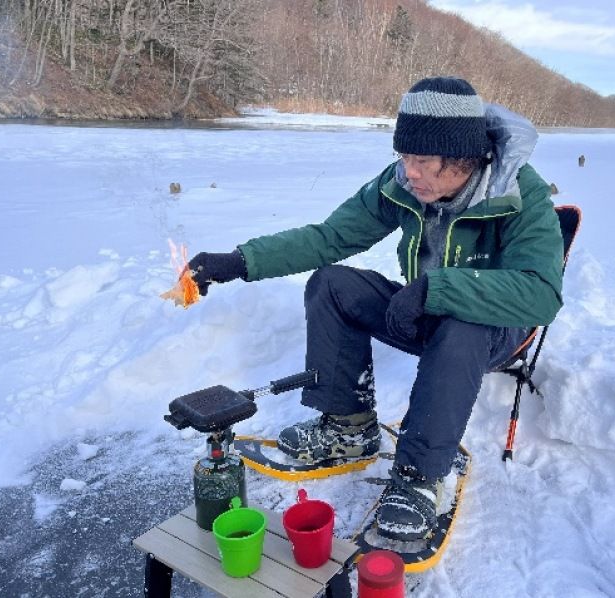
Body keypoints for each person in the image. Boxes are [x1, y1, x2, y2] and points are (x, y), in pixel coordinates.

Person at [186, 76, 564, 542]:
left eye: (422, 161)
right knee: (333, 284)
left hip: (494, 331)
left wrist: (436, 290)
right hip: (422, 311)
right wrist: (241, 261)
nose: (409, 173)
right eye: (403, 158)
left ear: (462, 159)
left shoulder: (518, 193)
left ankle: (420, 476)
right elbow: (331, 238)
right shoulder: (402, 185)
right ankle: (348, 427)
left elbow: (542, 294)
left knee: (461, 328)